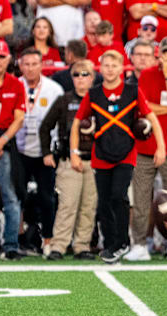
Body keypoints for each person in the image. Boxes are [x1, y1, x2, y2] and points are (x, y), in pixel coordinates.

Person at [71, 50, 166, 264]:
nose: (110, 69)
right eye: (106, 65)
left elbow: (151, 117)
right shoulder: (93, 94)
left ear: (122, 68)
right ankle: (111, 246)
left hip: (126, 153)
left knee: (118, 195)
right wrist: (74, 153)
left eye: (114, 65)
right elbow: (77, 122)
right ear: (100, 68)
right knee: (104, 202)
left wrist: (161, 147)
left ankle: (122, 241)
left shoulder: (132, 91)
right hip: (101, 154)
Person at [124, 37, 167, 262]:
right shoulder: (146, 75)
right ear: (158, 54)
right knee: (141, 198)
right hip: (146, 145)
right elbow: (146, 108)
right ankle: (139, 244)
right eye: (164, 53)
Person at [39, 60, 98, 260]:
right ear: (71, 78)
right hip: (69, 160)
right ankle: (59, 245)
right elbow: (45, 126)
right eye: (76, 74)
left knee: (88, 206)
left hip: (95, 160)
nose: (81, 78)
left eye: (85, 74)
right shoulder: (64, 100)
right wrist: (47, 153)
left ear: (92, 77)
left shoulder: (99, 100)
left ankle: (82, 245)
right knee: (67, 204)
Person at [16, 48, 64, 257]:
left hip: (45, 151)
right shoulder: (15, 85)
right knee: (16, 196)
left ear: (42, 65)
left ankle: (48, 240)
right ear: (20, 65)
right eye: (26, 64)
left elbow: (59, 123)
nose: (30, 68)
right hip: (18, 148)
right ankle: (17, 239)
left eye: (34, 64)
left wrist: (52, 150)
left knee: (47, 197)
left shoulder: (54, 89)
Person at [0, 39, 25, 260]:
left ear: (9, 59)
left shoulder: (16, 84)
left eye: (1, 56)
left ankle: (11, 243)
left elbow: (19, 117)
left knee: (10, 194)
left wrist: (1, 141)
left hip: (5, 141)